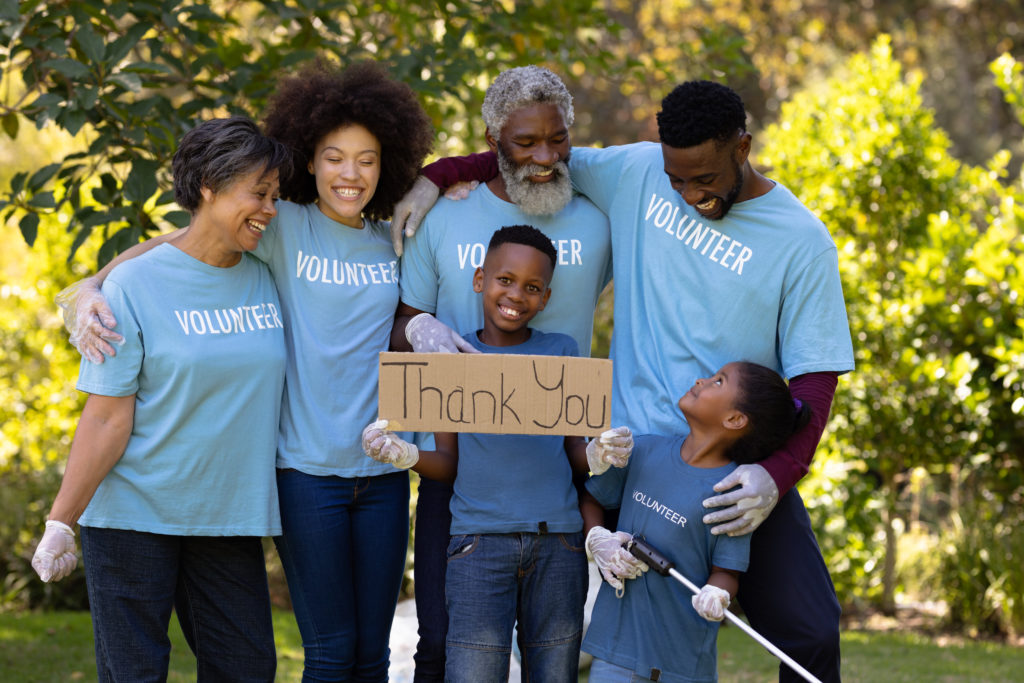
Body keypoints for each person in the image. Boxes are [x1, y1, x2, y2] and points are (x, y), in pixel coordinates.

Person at [392, 78, 855, 682]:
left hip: (728, 474)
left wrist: (777, 473)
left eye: (705, 179)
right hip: (627, 461)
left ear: (742, 149)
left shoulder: (800, 241)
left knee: (811, 636)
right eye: (676, 178)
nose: (689, 194)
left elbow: (815, 384)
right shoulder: (638, 171)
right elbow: (534, 152)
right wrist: (435, 176)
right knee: (611, 649)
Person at [53, 60, 435, 681]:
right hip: (305, 471)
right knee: (333, 651)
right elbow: (177, 242)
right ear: (310, 161)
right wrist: (92, 286)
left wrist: (439, 182)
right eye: (335, 157)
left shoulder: (396, 234)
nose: (351, 174)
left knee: (368, 653)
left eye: (367, 160)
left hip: (384, 468)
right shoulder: (285, 228)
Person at [29, 116, 291, 681]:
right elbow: (105, 417)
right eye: (259, 193)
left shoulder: (268, 269)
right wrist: (60, 521)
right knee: (135, 675)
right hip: (133, 516)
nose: (271, 209)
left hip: (228, 518)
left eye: (274, 195)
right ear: (209, 187)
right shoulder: (132, 287)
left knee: (247, 670)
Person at [388, 65, 613, 681]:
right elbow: (402, 321)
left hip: (554, 468)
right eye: (524, 143)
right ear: (492, 141)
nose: (545, 157)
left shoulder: (598, 217)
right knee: (442, 644)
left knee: (552, 655)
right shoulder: (443, 214)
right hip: (457, 464)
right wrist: (421, 330)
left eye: (558, 139)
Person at [363, 224, 619, 682]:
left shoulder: (562, 352)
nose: (517, 294)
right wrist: (406, 455)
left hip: (558, 544)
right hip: (478, 545)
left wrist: (600, 453)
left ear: (545, 297)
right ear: (480, 279)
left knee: (554, 674)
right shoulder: (450, 357)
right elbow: (449, 464)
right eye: (505, 280)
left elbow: (575, 456)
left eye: (532, 287)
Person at [583, 361, 814, 682]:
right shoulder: (645, 451)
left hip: (684, 662)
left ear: (735, 419)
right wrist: (598, 538)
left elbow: (725, 573)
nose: (700, 380)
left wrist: (717, 595)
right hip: (616, 650)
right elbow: (592, 499)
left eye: (718, 381)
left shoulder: (731, 493)